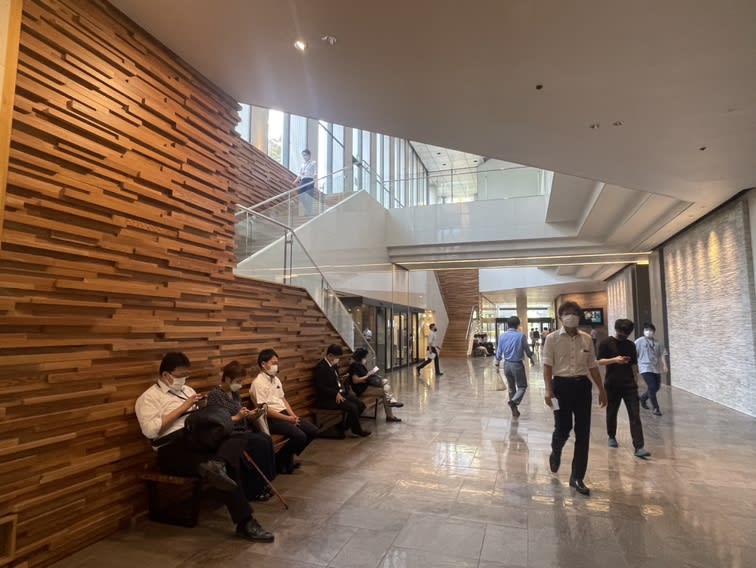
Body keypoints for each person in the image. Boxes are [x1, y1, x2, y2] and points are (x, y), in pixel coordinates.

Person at [134, 352, 274, 542]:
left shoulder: (188, 390)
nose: (184, 380)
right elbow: (151, 431)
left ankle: (218, 464)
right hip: (171, 448)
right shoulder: (148, 398)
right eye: (180, 375)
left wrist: (202, 407)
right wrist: (184, 407)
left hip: (197, 438)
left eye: (186, 375)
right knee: (229, 465)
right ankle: (246, 522)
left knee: (238, 436)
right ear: (166, 375)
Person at [543, 302, 608, 496]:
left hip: (582, 386)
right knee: (563, 428)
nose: (570, 316)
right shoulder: (552, 338)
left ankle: (577, 477)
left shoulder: (587, 339)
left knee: (583, 432)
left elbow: (592, 365)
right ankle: (556, 450)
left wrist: (601, 389)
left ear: (579, 317)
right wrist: (548, 390)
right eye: (566, 313)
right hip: (560, 387)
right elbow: (547, 366)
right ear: (560, 317)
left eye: (574, 313)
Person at [206, 361, 277, 501]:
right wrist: (238, 417)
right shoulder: (215, 395)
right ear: (227, 378)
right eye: (238, 381)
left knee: (266, 439)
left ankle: (263, 482)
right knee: (260, 443)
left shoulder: (234, 393)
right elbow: (217, 420)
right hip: (229, 434)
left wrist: (251, 414)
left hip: (242, 429)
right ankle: (253, 490)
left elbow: (239, 412)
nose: (240, 384)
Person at [251, 349, 319, 473]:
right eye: (273, 363)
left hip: (285, 415)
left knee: (313, 430)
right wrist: (288, 419)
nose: (276, 366)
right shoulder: (258, 383)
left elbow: (283, 400)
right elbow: (265, 410)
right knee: (300, 436)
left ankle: (284, 459)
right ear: (263, 364)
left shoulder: (276, 379)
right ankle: (281, 462)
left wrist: (293, 416)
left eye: (277, 363)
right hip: (272, 419)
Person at [597, 319, 650, 458]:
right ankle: (611, 436)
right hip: (612, 384)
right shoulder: (606, 343)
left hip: (629, 385)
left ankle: (639, 446)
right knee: (612, 411)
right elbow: (599, 361)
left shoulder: (631, 345)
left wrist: (636, 379)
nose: (623, 335)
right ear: (616, 329)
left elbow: (633, 364)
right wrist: (615, 360)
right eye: (621, 332)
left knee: (635, 415)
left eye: (626, 333)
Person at [314, 344, 372, 437]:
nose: (338, 360)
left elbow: (334, 380)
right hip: (327, 398)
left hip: (339, 394)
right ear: (330, 355)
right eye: (337, 357)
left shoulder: (333, 365)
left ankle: (343, 427)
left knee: (360, 405)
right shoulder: (321, 368)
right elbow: (321, 386)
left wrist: (341, 379)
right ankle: (357, 430)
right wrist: (335, 393)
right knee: (352, 407)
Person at [347, 348, 403, 423]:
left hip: (366, 386)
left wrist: (370, 373)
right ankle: (390, 411)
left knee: (386, 385)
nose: (365, 359)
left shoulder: (360, 365)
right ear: (361, 357)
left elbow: (363, 374)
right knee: (384, 391)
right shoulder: (354, 366)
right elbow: (355, 380)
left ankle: (391, 405)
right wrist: (367, 376)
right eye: (365, 357)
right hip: (362, 389)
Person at [495, 316, 534, 418]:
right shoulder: (521, 336)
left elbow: (498, 352)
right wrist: (531, 358)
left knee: (511, 388)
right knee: (522, 386)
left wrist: (497, 365)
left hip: (506, 365)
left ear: (508, 325)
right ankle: (513, 401)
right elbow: (527, 350)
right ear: (518, 325)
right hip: (517, 365)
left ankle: (514, 410)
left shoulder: (502, 336)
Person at [635, 322, 669, 416]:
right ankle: (656, 408)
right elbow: (634, 354)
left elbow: (662, 354)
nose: (648, 331)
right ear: (643, 331)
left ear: (654, 331)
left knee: (656, 387)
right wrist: (634, 366)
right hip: (644, 367)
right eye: (646, 330)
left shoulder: (658, 343)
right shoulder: (639, 341)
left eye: (650, 330)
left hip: (655, 367)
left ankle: (643, 398)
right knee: (652, 386)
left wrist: (665, 365)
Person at [292, 148, 317, 216]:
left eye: (305, 155)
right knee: (301, 195)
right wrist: (294, 182)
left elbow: (315, 173)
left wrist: (314, 181)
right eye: (303, 155)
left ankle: (309, 211)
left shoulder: (313, 163)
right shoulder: (302, 164)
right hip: (303, 181)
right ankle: (307, 210)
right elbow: (300, 174)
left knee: (309, 196)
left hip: (310, 180)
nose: (304, 157)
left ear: (309, 155)